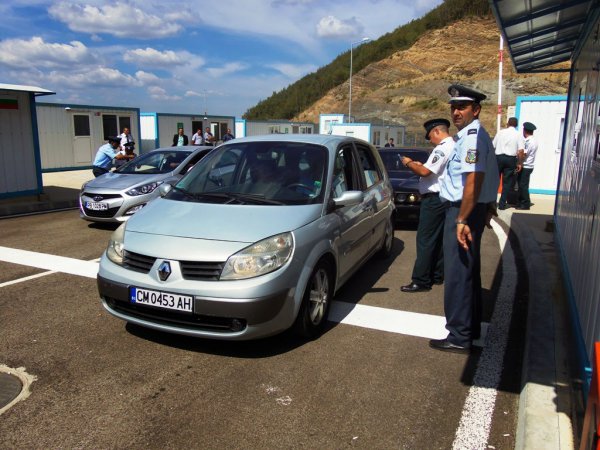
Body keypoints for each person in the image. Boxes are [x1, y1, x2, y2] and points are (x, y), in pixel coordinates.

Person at [429, 84, 499, 354]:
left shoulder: (471, 137)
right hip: (469, 209)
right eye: (453, 108)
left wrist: (462, 219)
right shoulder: (474, 135)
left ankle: (459, 335)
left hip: (461, 211)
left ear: (476, 109)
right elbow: (486, 174)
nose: (456, 112)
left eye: (462, 107)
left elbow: (473, 180)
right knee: (468, 270)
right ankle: (471, 328)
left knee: (458, 274)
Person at [400, 118, 453, 292]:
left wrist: (408, 163)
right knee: (437, 240)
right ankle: (436, 275)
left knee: (425, 240)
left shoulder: (442, 148)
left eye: (430, 136)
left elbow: (424, 172)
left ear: (437, 131)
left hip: (434, 199)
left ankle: (421, 280)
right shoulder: (453, 145)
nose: (429, 140)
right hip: (443, 198)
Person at [493, 117, 525, 210]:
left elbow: (493, 145)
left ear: (508, 124)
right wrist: (520, 163)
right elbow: (521, 150)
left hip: (498, 157)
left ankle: (492, 203)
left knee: (495, 181)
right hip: (510, 159)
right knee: (507, 183)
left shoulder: (500, 132)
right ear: (516, 125)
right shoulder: (518, 134)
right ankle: (502, 205)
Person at [516, 122, 538, 210]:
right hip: (528, 165)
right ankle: (521, 202)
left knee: (523, 186)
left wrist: (519, 162)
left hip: (526, 165)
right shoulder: (534, 140)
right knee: (523, 185)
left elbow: (524, 154)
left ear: (524, 131)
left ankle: (525, 204)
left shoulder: (528, 142)